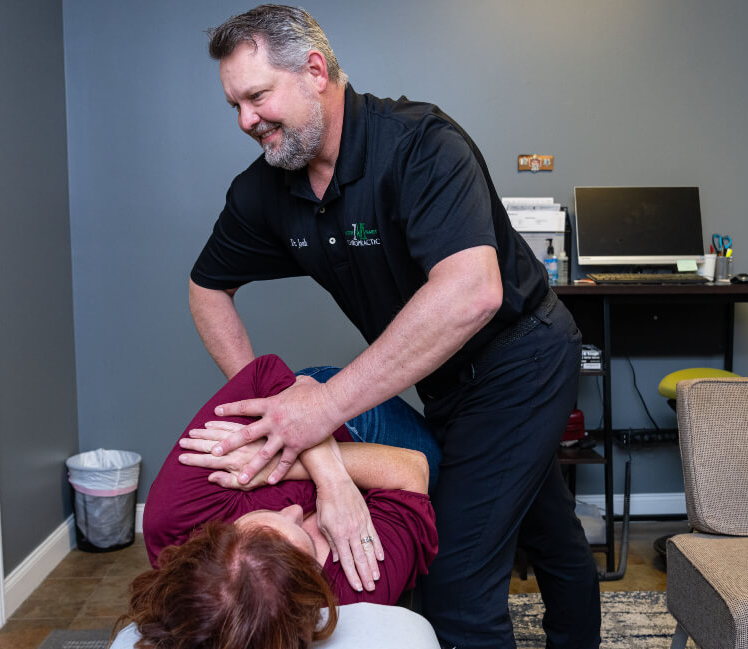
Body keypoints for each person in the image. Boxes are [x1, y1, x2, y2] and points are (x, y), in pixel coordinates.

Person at [188, 6, 599, 648]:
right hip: (444, 382)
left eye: (257, 96)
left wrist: (319, 409)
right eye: (234, 105)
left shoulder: (420, 145)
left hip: (523, 359)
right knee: (544, 525)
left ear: (314, 71)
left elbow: (472, 292)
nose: (246, 120)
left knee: (456, 586)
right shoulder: (267, 189)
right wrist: (264, 397)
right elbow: (207, 286)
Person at [133, 354, 439, 648]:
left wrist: (330, 474)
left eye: (266, 515)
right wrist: (286, 462)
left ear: (212, 536)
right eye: (306, 537)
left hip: (344, 420)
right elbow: (412, 468)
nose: (293, 510)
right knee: (445, 465)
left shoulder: (176, 517)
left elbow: (265, 373)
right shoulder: (352, 587)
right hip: (380, 454)